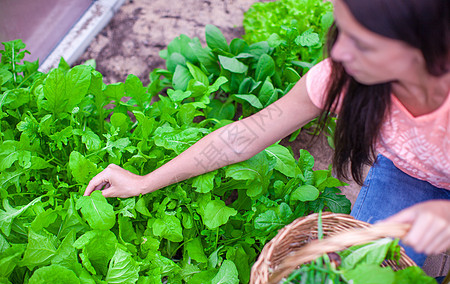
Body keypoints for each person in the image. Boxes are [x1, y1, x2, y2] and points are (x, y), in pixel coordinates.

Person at [84, 0, 450, 266]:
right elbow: (244, 136)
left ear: (427, 48)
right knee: (367, 274)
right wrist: (144, 181)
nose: (337, 51)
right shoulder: (342, 78)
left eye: (363, 43)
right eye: (341, 31)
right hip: (411, 172)